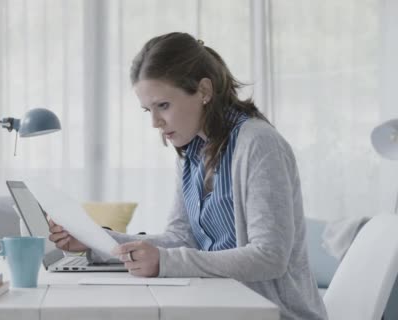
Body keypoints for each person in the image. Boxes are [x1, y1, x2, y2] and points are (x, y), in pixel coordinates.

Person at [48, 32, 327, 320]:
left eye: (163, 106)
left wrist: (166, 262)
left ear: (204, 91)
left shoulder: (258, 144)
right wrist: (96, 241)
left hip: (276, 314)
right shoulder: (191, 150)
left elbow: (269, 256)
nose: (155, 123)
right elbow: (181, 238)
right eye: (148, 110)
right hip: (222, 306)